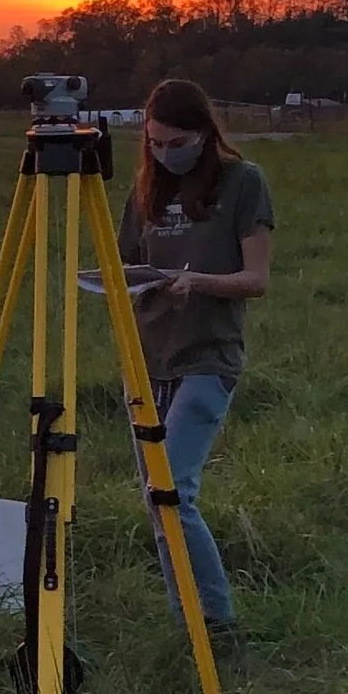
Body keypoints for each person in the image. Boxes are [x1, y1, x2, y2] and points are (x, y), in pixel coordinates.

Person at [115, 78, 275, 637]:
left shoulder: (243, 183)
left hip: (208, 358)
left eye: (177, 142)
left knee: (173, 489)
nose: (165, 154)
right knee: (157, 499)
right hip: (148, 358)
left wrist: (197, 282)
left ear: (205, 134)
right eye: (155, 143)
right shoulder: (144, 190)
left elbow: (255, 279)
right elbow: (126, 265)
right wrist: (136, 284)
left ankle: (215, 619)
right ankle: (187, 617)